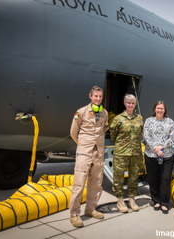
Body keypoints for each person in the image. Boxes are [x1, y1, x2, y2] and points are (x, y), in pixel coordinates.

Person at [69, 85, 109, 227]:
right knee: (79, 183)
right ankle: (74, 214)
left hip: (98, 152)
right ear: (90, 96)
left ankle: (90, 209)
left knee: (96, 182)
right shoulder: (81, 112)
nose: (98, 99)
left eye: (100, 96)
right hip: (84, 152)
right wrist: (83, 146)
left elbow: (104, 128)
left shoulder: (104, 113)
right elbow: (73, 133)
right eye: (95, 96)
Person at [109, 94, 143, 213]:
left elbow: (141, 134)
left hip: (136, 153)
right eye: (128, 102)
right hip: (121, 153)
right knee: (118, 177)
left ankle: (132, 199)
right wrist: (122, 145)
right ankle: (120, 199)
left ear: (135, 104)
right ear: (125, 103)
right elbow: (113, 135)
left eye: (133, 103)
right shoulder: (118, 119)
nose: (130, 105)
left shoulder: (139, 118)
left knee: (133, 177)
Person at [143, 101, 174, 214]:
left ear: (165, 110)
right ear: (154, 109)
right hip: (151, 154)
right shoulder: (148, 121)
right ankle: (156, 200)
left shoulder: (170, 122)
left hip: (167, 155)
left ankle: (164, 202)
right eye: (158, 108)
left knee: (165, 179)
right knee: (153, 179)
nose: (160, 110)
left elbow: (172, 138)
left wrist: (161, 147)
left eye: (162, 108)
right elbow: (146, 136)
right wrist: (155, 148)